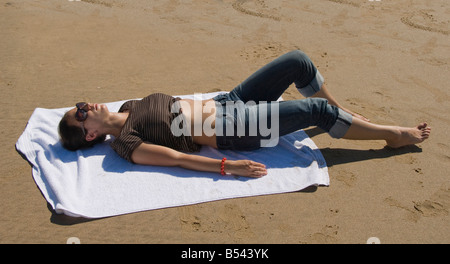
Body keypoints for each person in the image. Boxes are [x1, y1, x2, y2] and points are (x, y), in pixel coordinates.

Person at [58, 50, 431, 178]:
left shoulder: (128, 108)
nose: (85, 106)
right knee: (314, 110)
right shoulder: (126, 143)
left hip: (227, 102)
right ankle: (390, 135)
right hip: (233, 129)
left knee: (297, 61)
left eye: (79, 106)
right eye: (80, 114)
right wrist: (227, 166)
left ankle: (340, 112)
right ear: (90, 134)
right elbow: (178, 159)